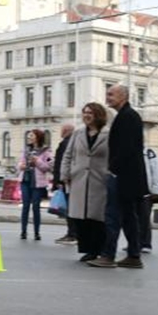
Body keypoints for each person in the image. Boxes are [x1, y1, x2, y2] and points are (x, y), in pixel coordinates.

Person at [89, 84, 149, 268]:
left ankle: (108, 255)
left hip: (123, 176)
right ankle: (134, 255)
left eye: (111, 94)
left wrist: (112, 169)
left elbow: (127, 149)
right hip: (128, 176)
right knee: (129, 216)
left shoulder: (128, 117)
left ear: (123, 96)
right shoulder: (125, 116)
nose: (108, 97)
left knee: (113, 215)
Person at [63, 103, 111, 262]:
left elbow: (113, 157)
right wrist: (65, 173)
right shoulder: (78, 133)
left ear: (98, 115)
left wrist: (109, 175)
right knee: (80, 217)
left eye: (90, 113)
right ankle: (87, 249)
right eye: (84, 113)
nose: (86, 115)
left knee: (97, 218)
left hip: (99, 180)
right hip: (79, 179)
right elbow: (68, 155)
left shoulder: (107, 134)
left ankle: (97, 249)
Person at [16, 129, 52, 241]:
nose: (29, 137)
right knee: (25, 206)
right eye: (29, 135)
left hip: (37, 183)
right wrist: (20, 166)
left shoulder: (46, 151)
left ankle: (37, 232)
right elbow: (20, 163)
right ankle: (23, 231)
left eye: (31, 135)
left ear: (38, 137)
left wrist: (37, 161)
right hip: (25, 180)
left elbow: (48, 167)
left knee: (36, 207)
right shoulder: (26, 150)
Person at [52, 123, 78, 245]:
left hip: (65, 180)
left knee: (69, 208)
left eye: (62, 130)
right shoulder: (73, 142)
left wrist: (59, 180)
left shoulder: (66, 143)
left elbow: (62, 163)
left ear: (66, 131)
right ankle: (73, 232)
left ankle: (72, 233)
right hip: (70, 179)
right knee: (71, 207)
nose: (60, 132)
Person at [139, 142, 158, 254]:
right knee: (132, 219)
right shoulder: (128, 151)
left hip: (146, 192)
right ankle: (135, 242)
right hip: (131, 191)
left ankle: (146, 243)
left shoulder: (149, 153)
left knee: (144, 218)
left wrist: (156, 191)